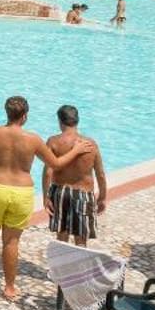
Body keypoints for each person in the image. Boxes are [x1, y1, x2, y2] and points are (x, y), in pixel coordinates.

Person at [0, 96, 94, 301]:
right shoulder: (33, 139)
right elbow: (56, 164)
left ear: (7, 113)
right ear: (25, 116)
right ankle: (10, 288)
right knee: (12, 241)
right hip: (22, 192)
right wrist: (76, 150)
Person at [43, 105, 108, 247]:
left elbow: (48, 173)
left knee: (61, 237)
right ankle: (80, 262)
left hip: (60, 193)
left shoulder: (53, 142)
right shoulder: (90, 144)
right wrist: (102, 197)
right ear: (77, 121)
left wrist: (45, 197)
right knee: (81, 240)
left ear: (60, 121)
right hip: (83, 194)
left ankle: (61, 262)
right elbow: (100, 174)